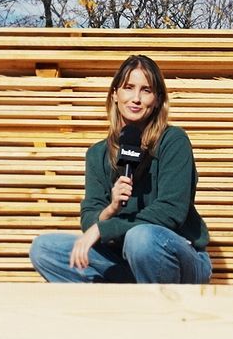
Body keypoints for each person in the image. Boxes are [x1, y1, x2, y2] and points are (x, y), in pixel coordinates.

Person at [29, 53, 212, 283]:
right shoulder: (97, 154)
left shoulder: (173, 141)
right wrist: (111, 208)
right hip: (122, 258)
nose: (136, 98)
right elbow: (90, 219)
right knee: (45, 249)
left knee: (141, 238)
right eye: (128, 88)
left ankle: (156, 302)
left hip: (175, 257)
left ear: (157, 99)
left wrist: (102, 229)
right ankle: (117, 300)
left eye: (146, 90)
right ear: (115, 94)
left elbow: (170, 211)